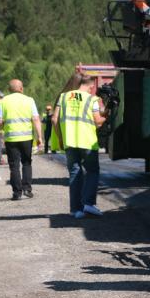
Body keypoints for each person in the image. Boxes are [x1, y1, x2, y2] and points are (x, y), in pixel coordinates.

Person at [51, 74, 108, 218]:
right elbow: (97, 121)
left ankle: (76, 210)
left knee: (75, 173)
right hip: (87, 141)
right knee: (92, 171)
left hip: (70, 141)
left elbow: (54, 119)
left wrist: (60, 138)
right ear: (90, 86)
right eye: (92, 88)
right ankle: (88, 204)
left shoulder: (63, 97)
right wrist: (107, 115)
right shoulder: (92, 99)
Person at [0, 79, 43, 200]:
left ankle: (17, 192)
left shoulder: (3, 101)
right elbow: (35, 119)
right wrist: (40, 137)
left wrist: (4, 126)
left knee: (14, 166)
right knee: (27, 163)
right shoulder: (29, 100)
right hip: (26, 138)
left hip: (11, 138)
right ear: (21, 88)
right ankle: (27, 189)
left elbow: (0, 121)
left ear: (9, 90)